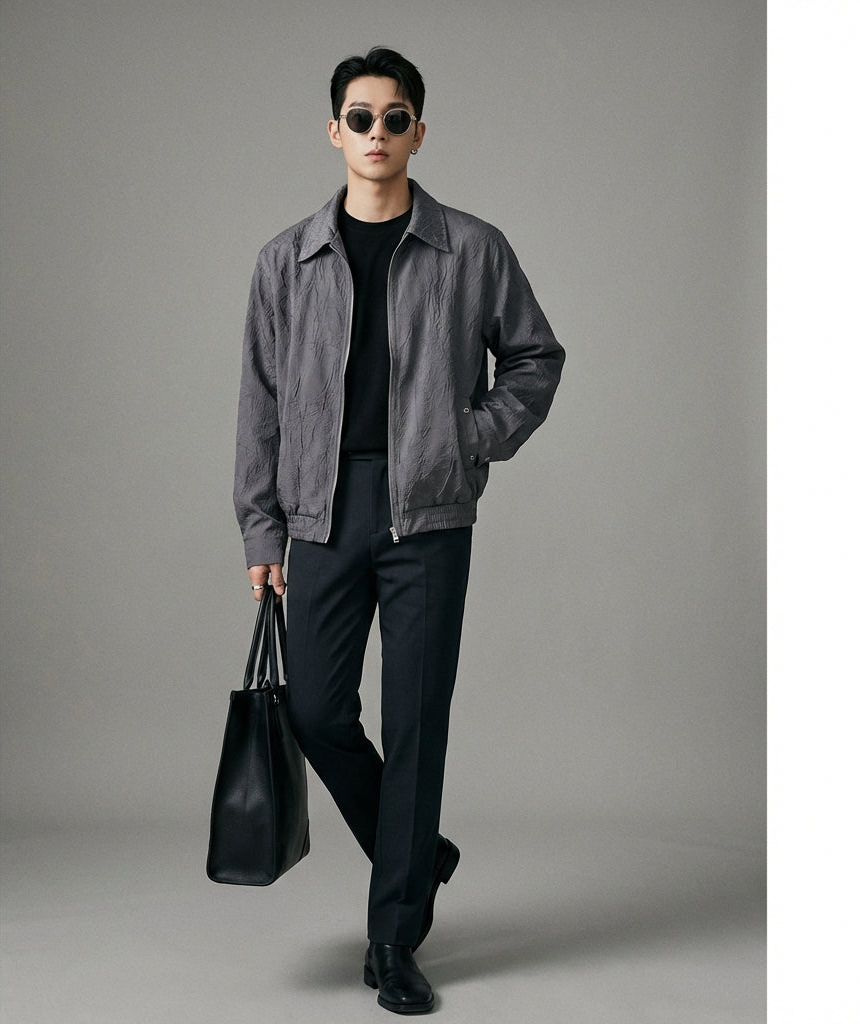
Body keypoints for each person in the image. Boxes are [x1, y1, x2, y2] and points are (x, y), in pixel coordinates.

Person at [233, 46, 565, 1015]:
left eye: (394, 117)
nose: (376, 133)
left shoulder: (472, 248)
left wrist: (470, 438)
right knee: (315, 710)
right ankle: (416, 851)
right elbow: (259, 405)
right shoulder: (286, 261)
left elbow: (535, 357)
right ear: (334, 131)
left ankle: (393, 939)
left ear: (419, 131)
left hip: (427, 512)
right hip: (321, 511)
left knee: (418, 719)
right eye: (360, 116)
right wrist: (261, 533)